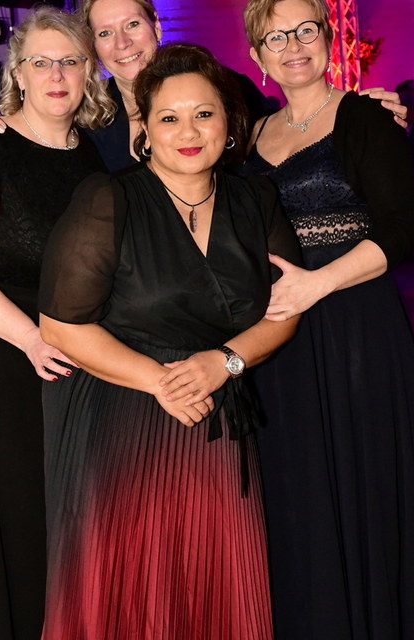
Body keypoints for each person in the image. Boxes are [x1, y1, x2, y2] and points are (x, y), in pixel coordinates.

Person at [36, 43, 302, 639]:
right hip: (123, 415)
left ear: (229, 123)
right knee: (128, 588)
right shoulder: (108, 200)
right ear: (146, 130)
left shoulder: (256, 201)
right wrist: (160, 381)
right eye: (169, 117)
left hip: (215, 413)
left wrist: (225, 362)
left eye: (204, 114)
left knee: (213, 584)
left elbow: (285, 311)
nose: (188, 131)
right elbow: (61, 326)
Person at [242, 0, 414, 638]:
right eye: (275, 37)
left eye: (305, 30)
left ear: (327, 38)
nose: (293, 46)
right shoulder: (251, 135)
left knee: (367, 476)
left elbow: (400, 230)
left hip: (355, 323)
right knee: (300, 485)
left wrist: (316, 284)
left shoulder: (366, 118)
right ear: (258, 56)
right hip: (280, 336)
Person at [0, 8, 113, 640]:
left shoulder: (90, 152)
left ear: (88, 72)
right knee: (16, 512)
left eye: (70, 62)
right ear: (19, 73)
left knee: (66, 511)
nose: (56, 75)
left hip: (66, 347)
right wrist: (31, 338)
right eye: (41, 62)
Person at [0, 0, 407, 172]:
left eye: (133, 24)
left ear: (156, 26)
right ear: (93, 46)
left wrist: (349, 113)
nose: (123, 42)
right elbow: (38, 143)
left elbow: (287, 134)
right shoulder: (89, 114)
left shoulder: (224, 87)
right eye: (105, 32)